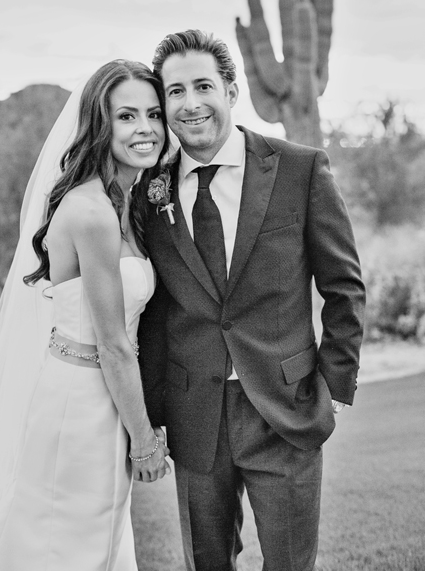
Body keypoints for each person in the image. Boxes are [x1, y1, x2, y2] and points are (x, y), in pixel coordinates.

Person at [138, 30, 366, 571]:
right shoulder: (150, 191)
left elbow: (343, 285)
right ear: (164, 104)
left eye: (202, 86)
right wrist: (153, 408)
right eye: (175, 92)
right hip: (195, 417)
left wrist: (334, 386)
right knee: (206, 563)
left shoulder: (300, 168)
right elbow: (154, 312)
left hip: (284, 409)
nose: (190, 104)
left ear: (232, 90)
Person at [0, 59, 171, 571]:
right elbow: (113, 343)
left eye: (154, 115)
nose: (146, 129)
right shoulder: (91, 213)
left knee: (92, 542)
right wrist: (144, 444)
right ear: (100, 123)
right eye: (127, 116)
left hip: (101, 395)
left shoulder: (123, 203)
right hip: (81, 405)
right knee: (64, 547)